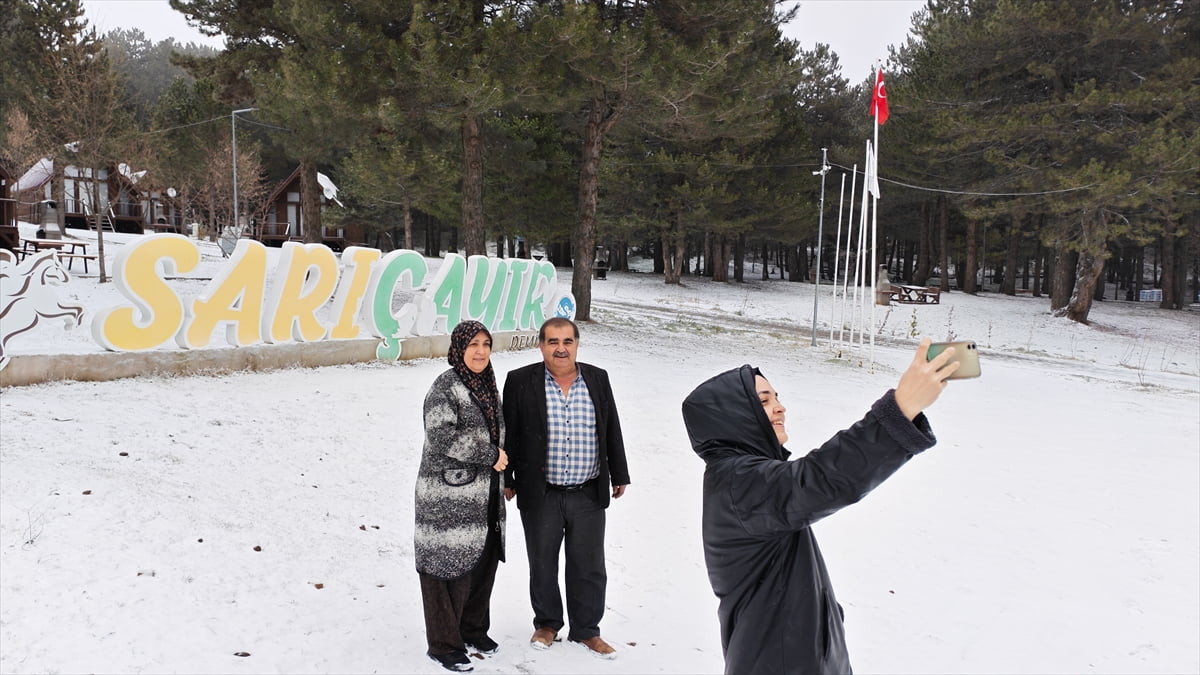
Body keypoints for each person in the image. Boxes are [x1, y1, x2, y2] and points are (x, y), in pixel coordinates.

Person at [681, 338, 958, 675]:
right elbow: (822, 479)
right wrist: (900, 410)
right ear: (734, 417)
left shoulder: (745, 477)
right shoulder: (738, 483)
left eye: (777, 397)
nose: (780, 407)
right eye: (764, 401)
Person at [502, 317, 631, 659]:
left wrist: (619, 472)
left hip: (587, 491)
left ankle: (587, 630)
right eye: (553, 341)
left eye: (568, 341)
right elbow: (509, 434)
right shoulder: (520, 381)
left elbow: (611, 427)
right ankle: (547, 623)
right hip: (540, 492)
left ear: (576, 344)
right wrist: (507, 478)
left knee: (589, 565)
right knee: (542, 562)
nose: (561, 348)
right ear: (541, 345)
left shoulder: (597, 379)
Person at [415, 320, 509, 673]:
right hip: (446, 498)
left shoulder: (487, 384)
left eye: (486, 344)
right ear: (459, 348)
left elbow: (499, 433)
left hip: (484, 494)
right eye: (473, 344)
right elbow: (441, 436)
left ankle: (472, 629)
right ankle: (444, 644)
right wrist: (490, 455)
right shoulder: (445, 387)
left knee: (481, 560)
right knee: (445, 568)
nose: (481, 351)